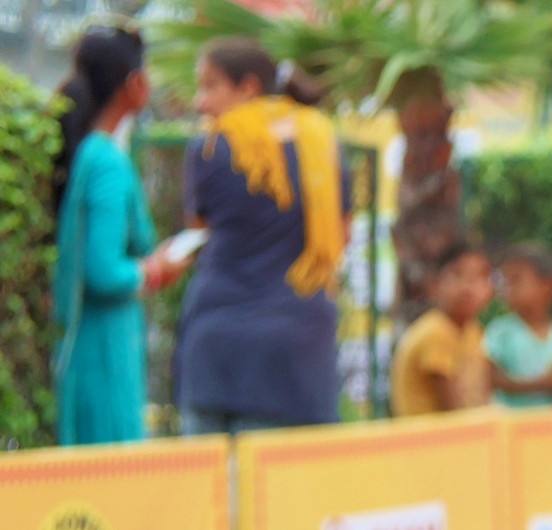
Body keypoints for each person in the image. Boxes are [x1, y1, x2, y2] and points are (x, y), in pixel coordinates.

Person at [158, 38, 344, 436]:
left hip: (215, 349)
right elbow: (340, 237)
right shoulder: (322, 143)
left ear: (249, 88)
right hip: (297, 351)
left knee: (209, 477)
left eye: (210, 86)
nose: (199, 103)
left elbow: (198, 230)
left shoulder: (210, 146)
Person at [49, 25, 155, 447]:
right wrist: (153, 271)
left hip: (93, 342)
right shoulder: (107, 160)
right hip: (106, 347)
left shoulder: (94, 152)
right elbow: (103, 270)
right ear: (134, 84)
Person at [389, 236, 492, 417]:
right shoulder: (436, 332)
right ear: (434, 286)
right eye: (458, 275)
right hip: (430, 434)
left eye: (478, 277)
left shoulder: (473, 331)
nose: (468, 287)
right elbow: (453, 414)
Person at [487, 243, 552, 408]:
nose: (507, 288)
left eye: (516, 280)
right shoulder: (500, 331)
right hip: (512, 422)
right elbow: (491, 378)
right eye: (505, 281)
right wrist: (544, 383)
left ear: (546, 286)